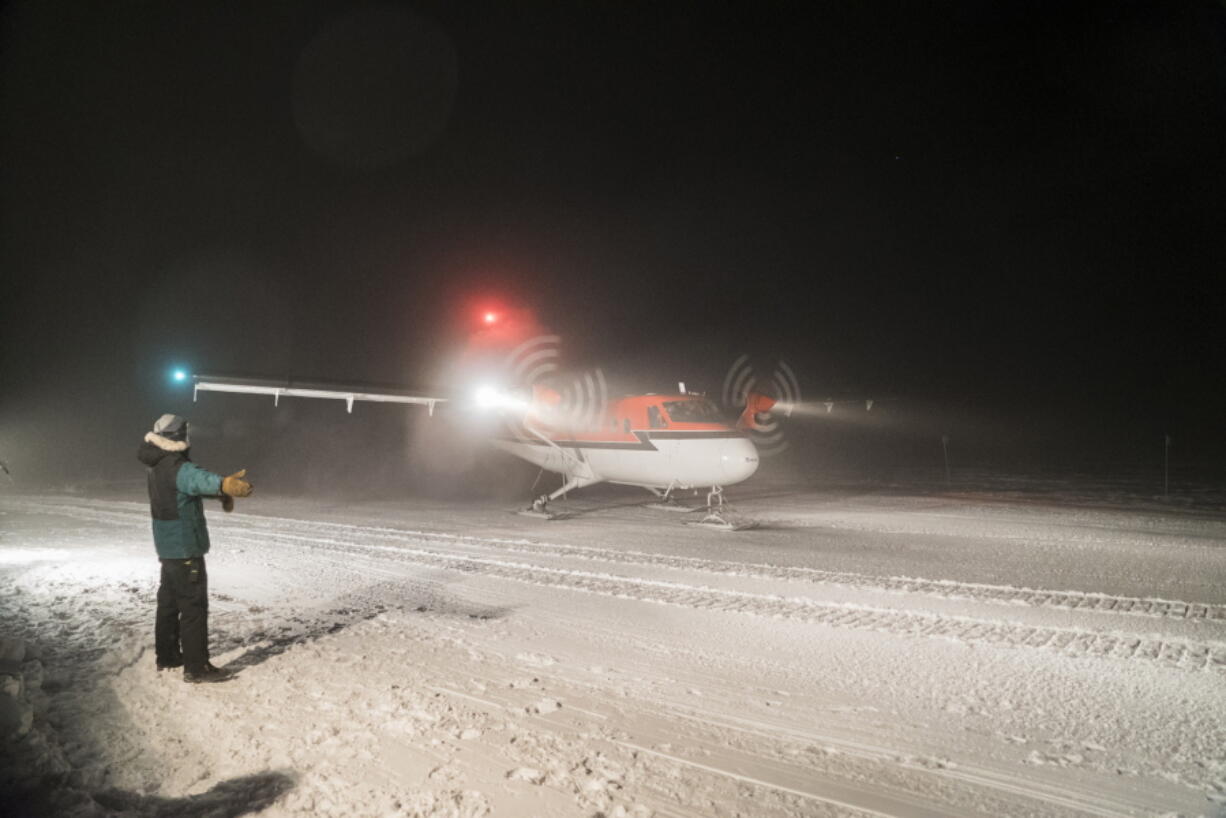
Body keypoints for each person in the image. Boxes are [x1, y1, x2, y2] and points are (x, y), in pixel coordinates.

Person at [137, 414, 253, 683]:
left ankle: (167, 656)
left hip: (167, 545)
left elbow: (186, 488)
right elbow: (196, 479)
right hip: (185, 546)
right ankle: (196, 667)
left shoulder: (155, 464)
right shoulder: (177, 465)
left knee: (168, 602)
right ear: (178, 436)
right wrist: (225, 485)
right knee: (193, 606)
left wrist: (219, 493)